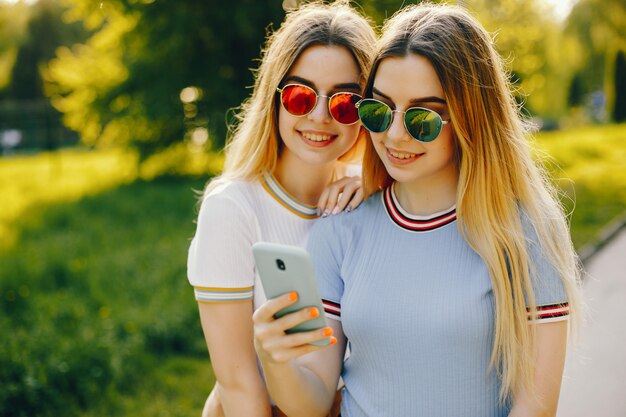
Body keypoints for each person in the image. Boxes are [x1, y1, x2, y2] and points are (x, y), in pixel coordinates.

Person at [252, 3, 583, 417]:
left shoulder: (524, 229)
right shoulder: (339, 230)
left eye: (422, 119)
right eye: (378, 110)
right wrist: (275, 357)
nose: (393, 136)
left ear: (471, 120)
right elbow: (313, 401)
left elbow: (535, 405)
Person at [186, 2, 376, 416]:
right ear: (274, 98)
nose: (321, 117)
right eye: (300, 96)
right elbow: (238, 386)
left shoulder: (369, 198)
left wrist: (376, 182)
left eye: (345, 103)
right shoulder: (233, 209)